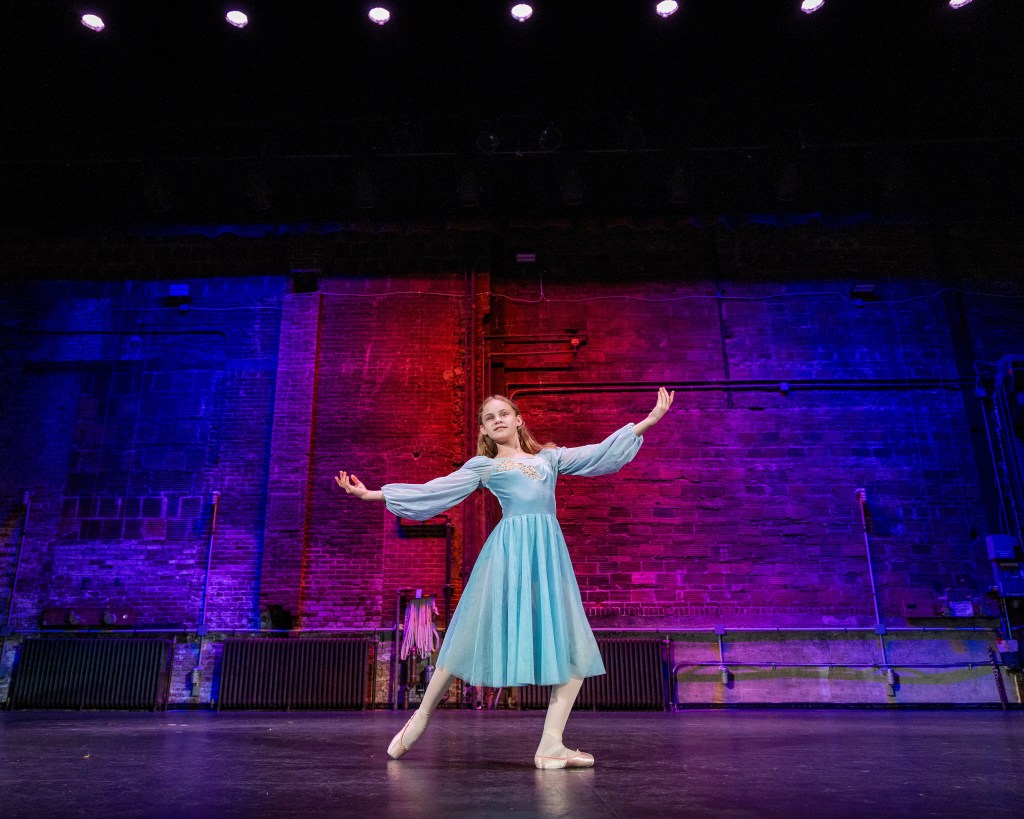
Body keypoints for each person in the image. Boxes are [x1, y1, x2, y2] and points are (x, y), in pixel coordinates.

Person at [335, 387, 674, 769]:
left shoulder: (549, 458)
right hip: (508, 553)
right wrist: (372, 496)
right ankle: (421, 717)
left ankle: (551, 744)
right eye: (489, 417)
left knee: (575, 645)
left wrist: (647, 422)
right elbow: (436, 490)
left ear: (518, 419)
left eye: (503, 413)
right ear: (484, 430)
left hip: (547, 556)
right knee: (468, 633)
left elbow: (595, 453)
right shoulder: (484, 466)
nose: (497, 419)